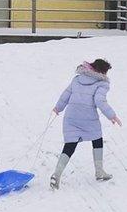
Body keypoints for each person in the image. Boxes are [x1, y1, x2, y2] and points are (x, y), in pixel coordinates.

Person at [49, 58, 122, 190]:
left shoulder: (77, 79)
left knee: (70, 145)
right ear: (102, 71)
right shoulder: (101, 84)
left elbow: (66, 95)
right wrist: (112, 115)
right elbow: (100, 100)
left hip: (71, 117)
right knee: (97, 139)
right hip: (88, 117)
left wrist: (58, 108)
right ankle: (99, 172)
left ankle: (56, 174)